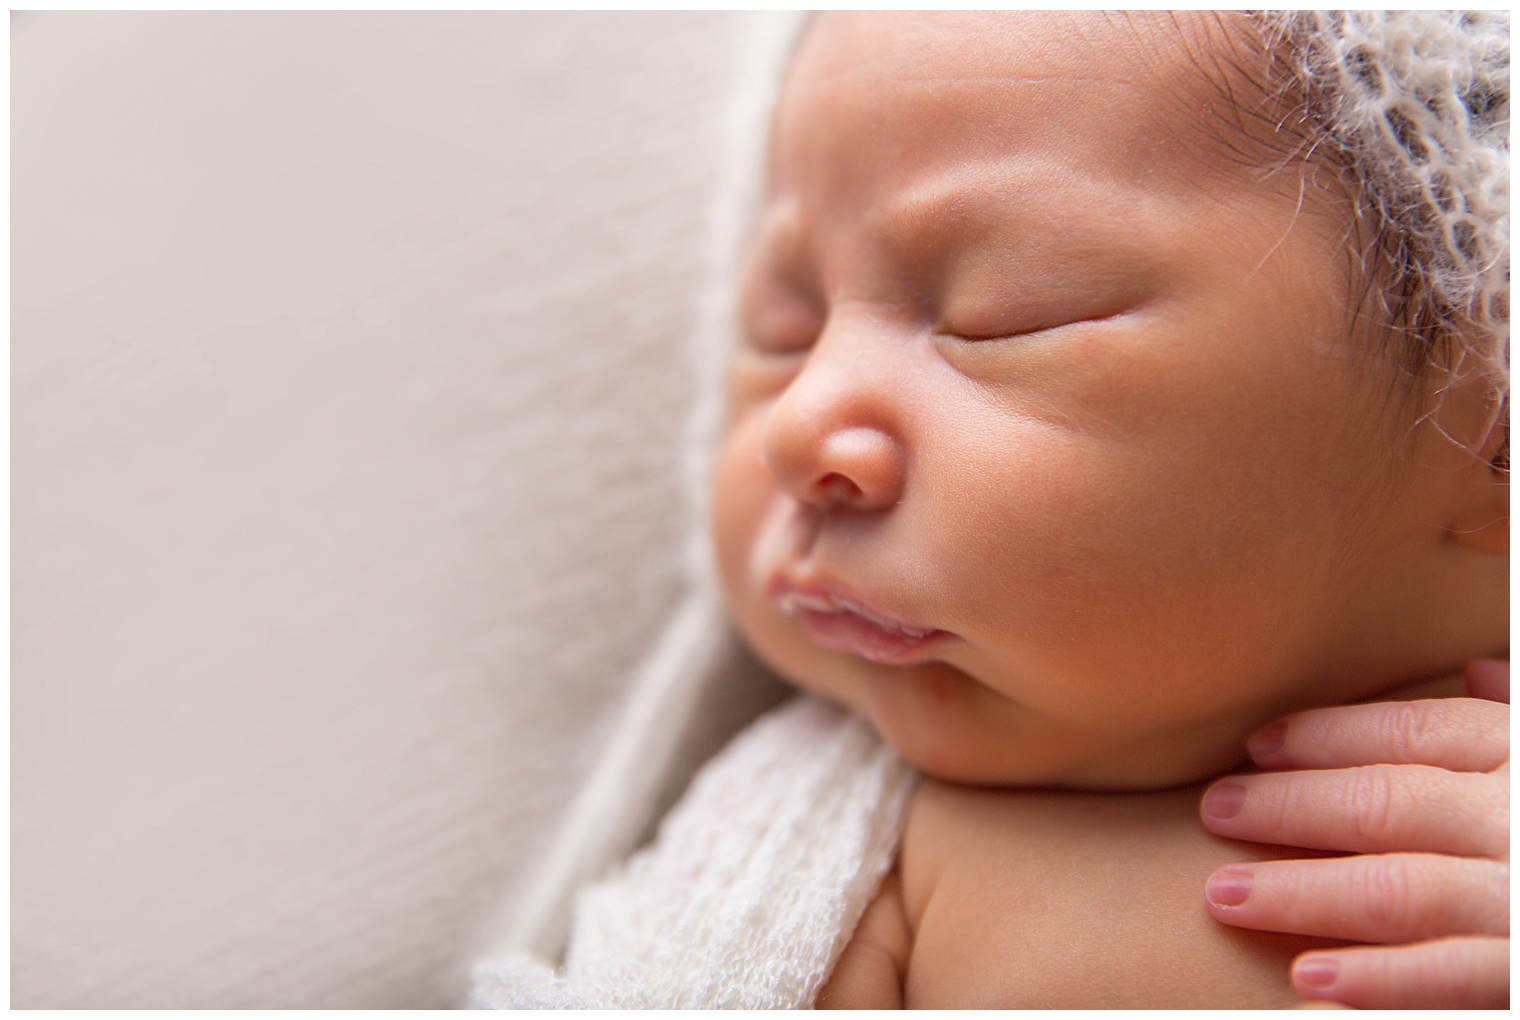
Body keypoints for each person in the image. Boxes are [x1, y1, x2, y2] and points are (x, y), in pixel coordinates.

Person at [712, 10, 1507, 1008]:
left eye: (1002, 315)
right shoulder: (836, 870)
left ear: (1490, 440)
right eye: (783, 331)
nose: (797, 427)